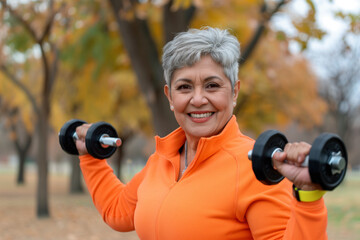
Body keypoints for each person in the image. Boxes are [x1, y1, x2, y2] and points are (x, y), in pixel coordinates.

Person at [74, 27, 328, 239]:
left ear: (235, 92)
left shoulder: (256, 169)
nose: (198, 99)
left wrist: (308, 196)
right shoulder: (161, 162)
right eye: (184, 87)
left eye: (212, 85)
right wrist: (90, 158)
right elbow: (118, 211)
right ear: (170, 97)